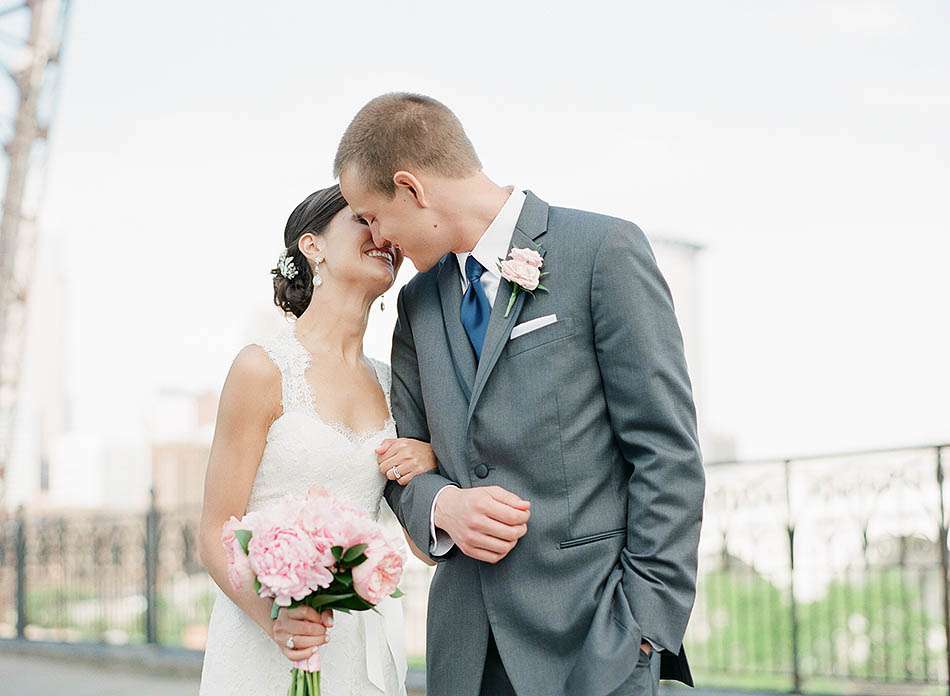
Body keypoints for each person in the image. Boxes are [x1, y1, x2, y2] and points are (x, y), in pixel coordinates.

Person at [337, 93, 706, 696]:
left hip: (594, 646)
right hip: (464, 655)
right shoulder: (416, 304)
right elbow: (404, 457)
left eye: (374, 216)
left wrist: (641, 628)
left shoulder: (602, 251)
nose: (381, 240)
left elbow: (667, 453)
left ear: (412, 188)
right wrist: (441, 505)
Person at [197, 185, 436, 696]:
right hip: (270, 641)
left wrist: (426, 463)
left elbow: (424, 546)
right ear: (313, 245)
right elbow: (216, 530)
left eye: (388, 223)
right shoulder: (262, 368)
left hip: (363, 649)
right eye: (363, 219)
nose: (384, 235)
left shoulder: (397, 385)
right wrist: (277, 620)